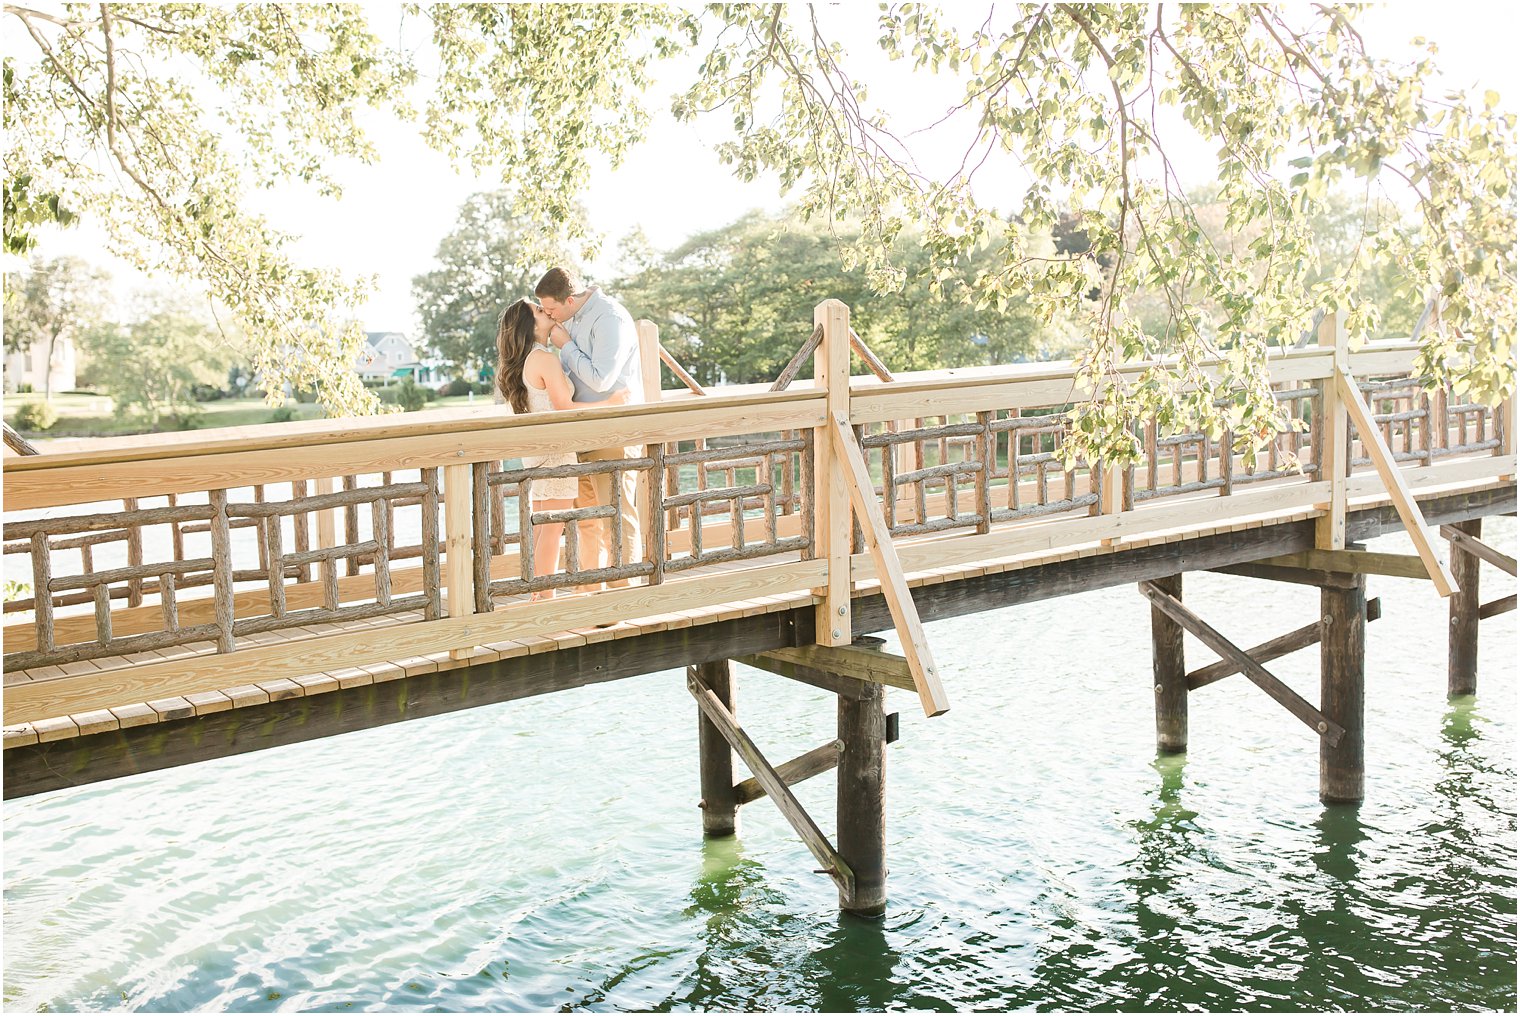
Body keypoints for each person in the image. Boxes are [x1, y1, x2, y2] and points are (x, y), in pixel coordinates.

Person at [495, 298, 625, 600]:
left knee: (543, 527)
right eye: (540, 311)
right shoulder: (543, 359)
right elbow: (564, 408)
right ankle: (545, 597)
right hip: (556, 452)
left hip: (539, 452)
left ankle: (539, 596)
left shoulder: (526, 360)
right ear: (532, 325)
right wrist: (610, 404)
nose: (547, 311)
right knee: (552, 528)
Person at [534, 267, 644, 589]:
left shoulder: (610, 319)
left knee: (618, 516)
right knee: (587, 519)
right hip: (580, 431)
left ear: (569, 299)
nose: (550, 317)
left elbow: (601, 379)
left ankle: (622, 592)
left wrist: (565, 344)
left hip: (613, 430)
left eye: (552, 309)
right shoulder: (570, 317)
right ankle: (591, 590)